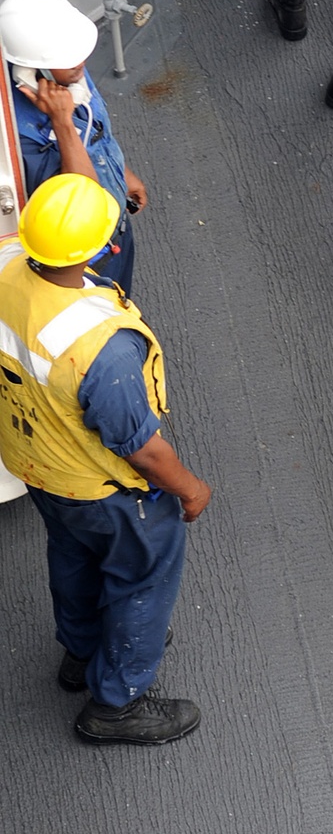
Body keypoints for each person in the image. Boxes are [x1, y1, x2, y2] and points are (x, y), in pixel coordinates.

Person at [0, 174, 212, 743]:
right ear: (97, 249)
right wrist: (190, 490)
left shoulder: (5, 264)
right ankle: (115, 704)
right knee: (142, 579)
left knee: (72, 557)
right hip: (105, 490)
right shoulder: (101, 346)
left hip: (39, 465)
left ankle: (82, 650)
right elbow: (141, 449)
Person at [0, 0, 148, 296]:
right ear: (29, 71)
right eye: (68, 58)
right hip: (81, 260)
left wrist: (122, 173)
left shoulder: (67, 71)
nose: (80, 62)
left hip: (113, 229)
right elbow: (83, 194)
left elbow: (96, 130)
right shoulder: (17, 135)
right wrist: (62, 122)